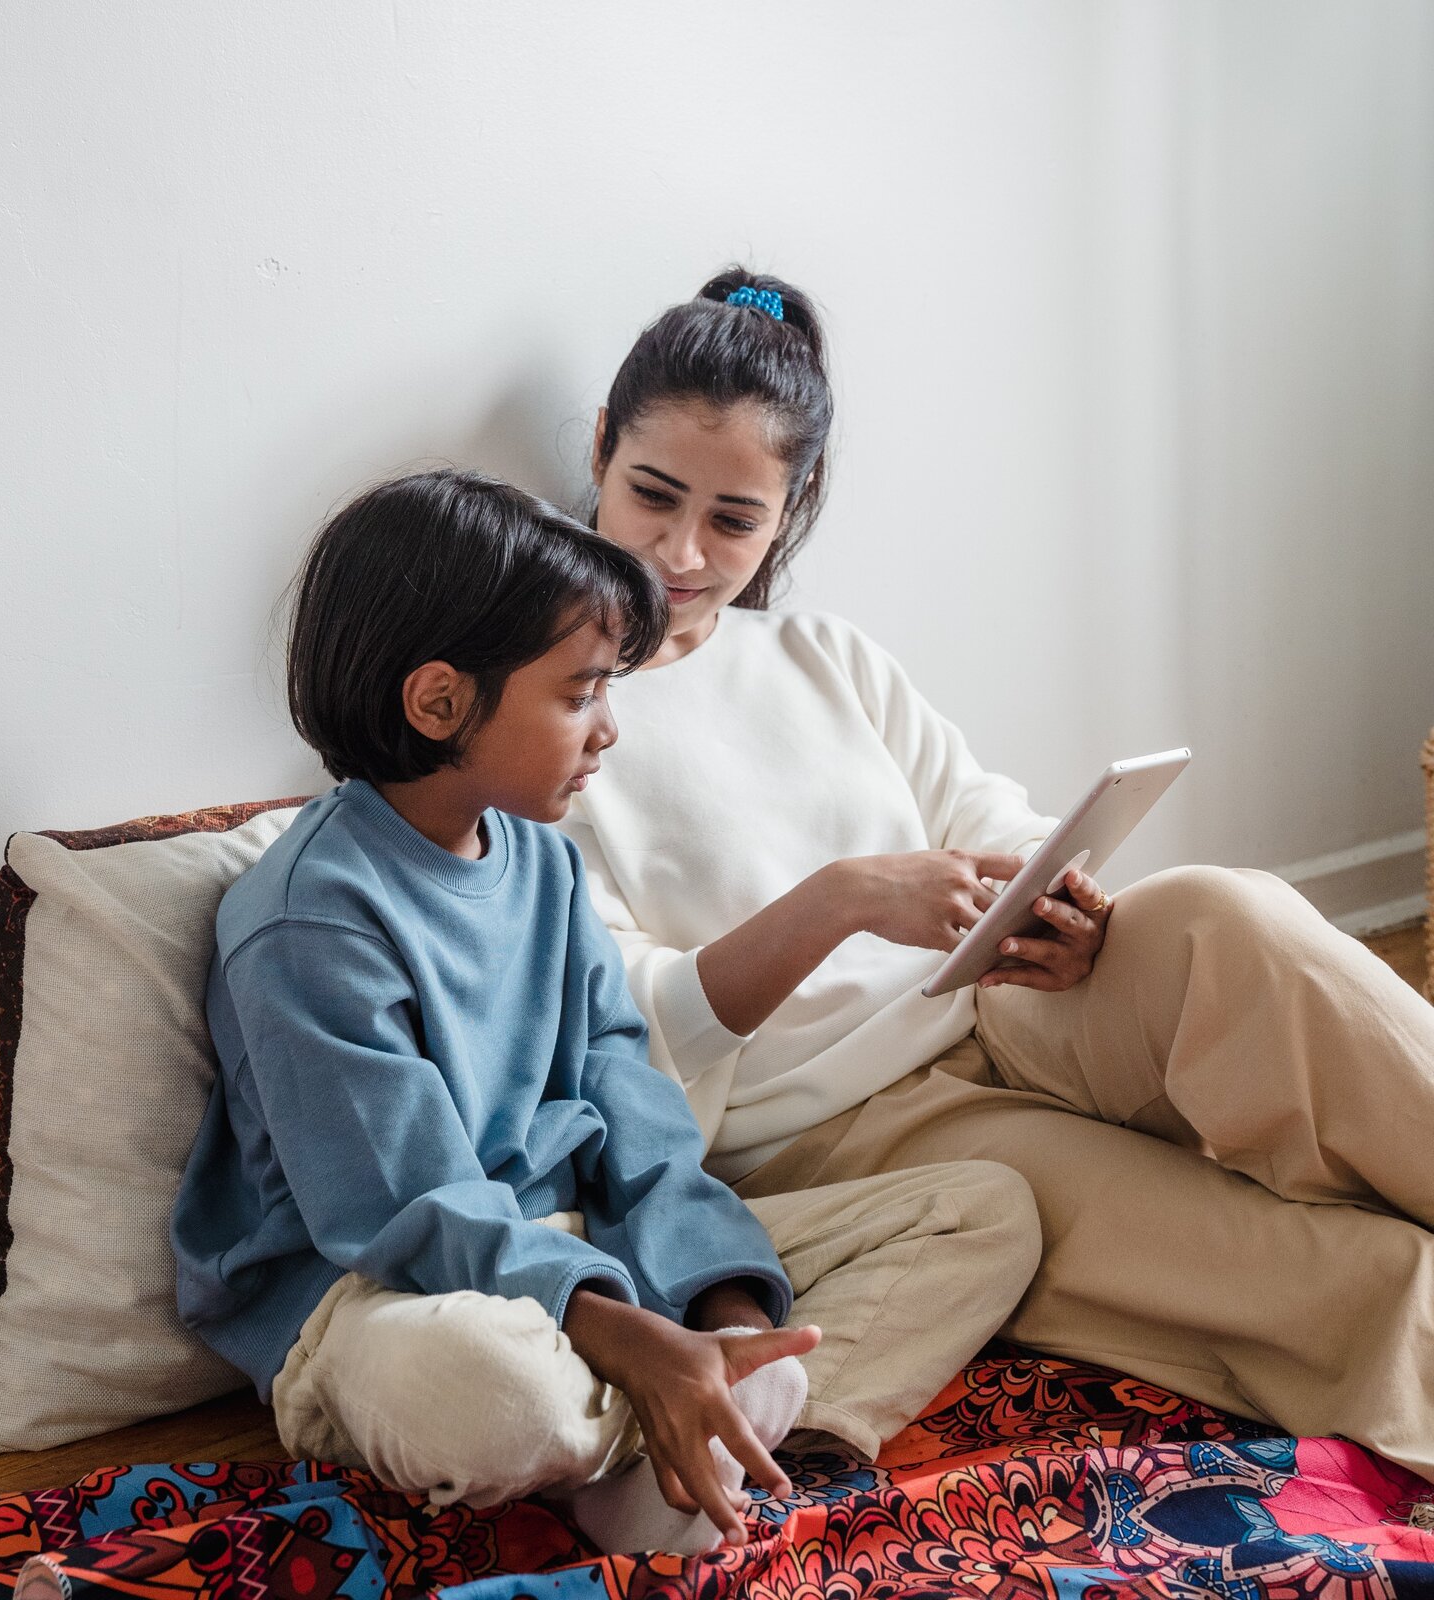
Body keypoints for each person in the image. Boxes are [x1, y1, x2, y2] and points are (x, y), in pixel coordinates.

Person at [562, 269, 1434, 1481]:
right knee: (1360, 1275)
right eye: (652, 495)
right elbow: (624, 1028)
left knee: (1229, 914)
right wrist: (846, 900)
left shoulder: (822, 654)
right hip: (842, 1131)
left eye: (735, 519)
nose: (683, 550)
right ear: (601, 447)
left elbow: (989, 817)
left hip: (1002, 1004)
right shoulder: (555, 720)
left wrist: (1057, 898)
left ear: (790, 506)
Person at [170, 468, 1042, 1556]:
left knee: (984, 1213)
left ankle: (711, 1417)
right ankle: (690, 1443)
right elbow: (406, 1210)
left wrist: (725, 1309)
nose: (609, 730)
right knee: (492, 1392)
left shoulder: (546, 866)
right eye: (581, 692)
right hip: (378, 1296)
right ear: (440, 702)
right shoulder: (307, 918)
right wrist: (631, 1336)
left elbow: (637, 1116)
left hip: (580, 1255)